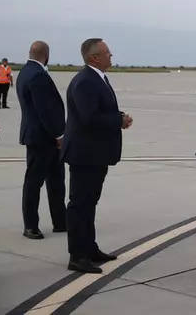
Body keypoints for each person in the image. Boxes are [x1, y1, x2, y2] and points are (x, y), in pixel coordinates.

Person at [62, 39, 131, 274]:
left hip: (95, 153)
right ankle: (77, 255)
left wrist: (118, 116)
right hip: (85, 154)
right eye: (107, 53)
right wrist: (118, 121)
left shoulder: (97, 78)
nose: (111, 56)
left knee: (89, 203)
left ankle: (89, 248)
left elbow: (100, 110)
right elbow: (89, 118)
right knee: (80, 205)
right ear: (94, 58)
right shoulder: (84, 82)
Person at [17, 42, 67, 240]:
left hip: (39, 136)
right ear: (47, 55)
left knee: (55, 181)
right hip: (43, 138)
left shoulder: (24, 72)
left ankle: (60, 220)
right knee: (35, 182)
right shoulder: (38, 75)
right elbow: (45, 109)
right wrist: (59, 135)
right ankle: (30, 225)